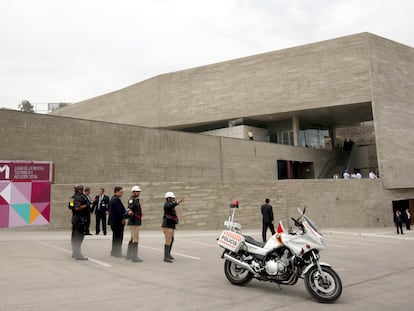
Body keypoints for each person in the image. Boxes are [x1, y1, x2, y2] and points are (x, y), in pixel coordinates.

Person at [68, 185, 89, 260]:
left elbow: (70, 207)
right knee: (79, 237)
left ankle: (75, 252)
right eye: (81, 189)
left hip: (75, 219)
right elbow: (77, 208)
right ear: (79, 190)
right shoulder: (79, 197)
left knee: (74, 237)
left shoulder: (72, 197)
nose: (82, 191)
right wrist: (85, 206)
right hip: (80, 219)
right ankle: (78, 254)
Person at [162, 191, 183, 263]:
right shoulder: (167, 205)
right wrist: (177, 202)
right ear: (168, 199)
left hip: (171, 225)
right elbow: (170, 206)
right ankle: (166, 257)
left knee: (171, 240)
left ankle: (168, 254)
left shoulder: (171, 205)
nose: (173, 199)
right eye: (172, 198)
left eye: (173, 198)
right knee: (168, 240)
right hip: (167, 225)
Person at [125, 185, 143, 262]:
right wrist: (129, 211)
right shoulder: (132, 199)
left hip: (136, 221)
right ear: (133, 192)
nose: (138, 193)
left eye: (139, 191)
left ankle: (128, 255)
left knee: (132, 238)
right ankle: (134, 257)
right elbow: (129, 208)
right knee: (135, 239)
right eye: (137, 191)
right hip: (134, 222)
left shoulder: (136, 199)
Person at [109, 186, 127, 257]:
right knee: (118, 238)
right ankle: (117, 253)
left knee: (115, 238)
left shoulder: (113, 199)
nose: (122, 193)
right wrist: (124, 217)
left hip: (114, 222)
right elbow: (120, 212)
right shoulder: (116, 200)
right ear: (116, 192)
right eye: (121, 192)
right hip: (117, 222)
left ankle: (114, 252)